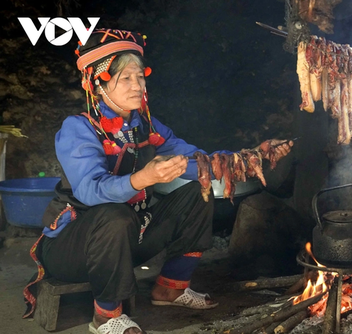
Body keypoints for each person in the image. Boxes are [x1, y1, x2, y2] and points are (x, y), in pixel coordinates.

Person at [22, 28, 293, 334]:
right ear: (98, 83)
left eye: (140, 76)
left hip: (127, 237)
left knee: (195, 192)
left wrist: (250, 157)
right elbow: (89, 190)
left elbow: (196, 161)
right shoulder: (78, 129)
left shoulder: (146, 126)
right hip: (71, 248)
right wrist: (141, 179)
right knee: (115, 213)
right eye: (126, 78)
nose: (137, 85)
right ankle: (106, 317)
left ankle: (171, 288)